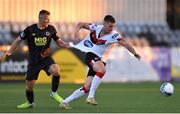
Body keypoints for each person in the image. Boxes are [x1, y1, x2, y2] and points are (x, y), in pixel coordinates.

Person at [59, 15, 141, 109]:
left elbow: (125, 43)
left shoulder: (114, 35)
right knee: (102, 70)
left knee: (87, 87)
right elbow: (80, 24)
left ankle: (65, 102)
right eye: (110, 26)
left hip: (99, 59)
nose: (112, 28)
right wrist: (76, 33)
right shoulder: (96, 28)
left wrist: (134, 53)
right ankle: (91, 97)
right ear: (104, 24)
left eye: (113, 26)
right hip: (90, 56)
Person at [5, 9, 71, 109]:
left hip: (45, 58)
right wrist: (10, 51)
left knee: (56, 70)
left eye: (49, 19)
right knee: (29, 87)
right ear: (40, 18)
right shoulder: (30, 29)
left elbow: (58, 41)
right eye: (46, 20)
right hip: (34, 61)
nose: (48, 21)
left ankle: (54, 93)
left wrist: (65, 44)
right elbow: (18, 40)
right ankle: (30, 103)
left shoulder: (51, 29)